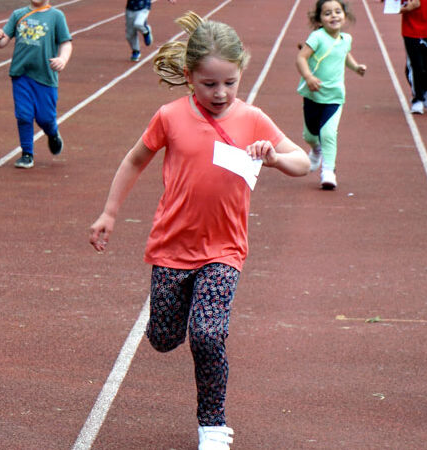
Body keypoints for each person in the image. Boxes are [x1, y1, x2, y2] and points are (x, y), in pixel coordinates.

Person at [89, 11, 310, 450]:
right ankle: (171, 322)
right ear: (190, 77)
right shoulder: (170, 116)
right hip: (172, 247)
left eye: (230, 82)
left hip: (224, 250)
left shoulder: (253, 119)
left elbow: (303, 162)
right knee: (163, 338)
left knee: (208, 334)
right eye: (210, 84)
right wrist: (109, 213)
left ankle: (212, 425)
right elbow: (136, 159)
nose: (221, 92)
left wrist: (275, 159)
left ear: (241, 73)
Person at [0, 0, 72, 169]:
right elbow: (3, 41)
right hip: (21, 75)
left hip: (45, 77)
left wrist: (62, 59)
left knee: (45, 117)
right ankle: (27, 153)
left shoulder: (56, 16)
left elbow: (66, 42)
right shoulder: (18, 14)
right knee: (23, 115)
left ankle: (52, 133)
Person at [295, 0, 366, 190]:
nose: (333, 16)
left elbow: (345, 56)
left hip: (334, 97)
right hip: (313, 95)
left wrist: (356, 67)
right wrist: (308, 76)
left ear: (345, 15)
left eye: (337, 12)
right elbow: (301, 57)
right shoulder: (317, 37)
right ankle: (316, 150)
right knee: (309, 135)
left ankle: (328, 170)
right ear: (319, 19)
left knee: (328, 133)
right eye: (327, 13)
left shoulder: (346, 39)